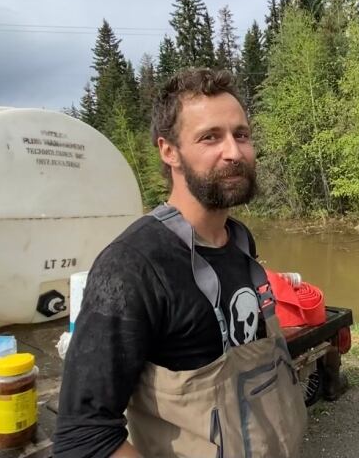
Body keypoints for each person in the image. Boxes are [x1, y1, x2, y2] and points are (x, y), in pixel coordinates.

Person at [53, 68, 307, 458]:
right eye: (210, 137)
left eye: (241, 135)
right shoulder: (132, 266)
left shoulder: (239, 241)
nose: (234, 152)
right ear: (169, 151)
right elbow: (84, 438)